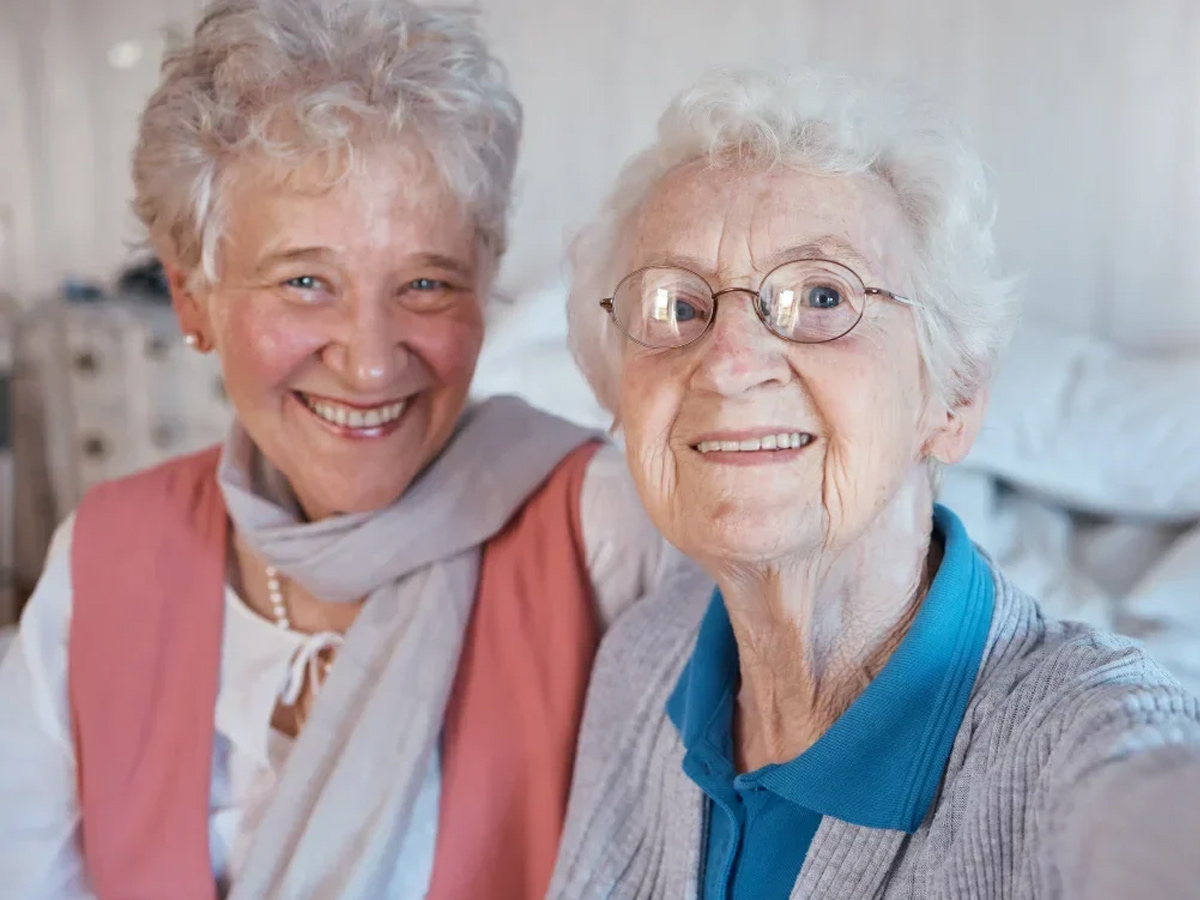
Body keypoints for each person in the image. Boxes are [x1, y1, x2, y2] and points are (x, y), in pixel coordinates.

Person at [0, 2, 664, 899]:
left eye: (426, 283)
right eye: (306, 281)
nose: (370, 361)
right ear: (192, 297)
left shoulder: (607, 532)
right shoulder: (105, 551)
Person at [547, 67, 1200, 899]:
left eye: (823, 293)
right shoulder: (644, 658)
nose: (729, 362)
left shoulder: (1073, 740)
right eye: (677, 307)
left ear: (954, 398)